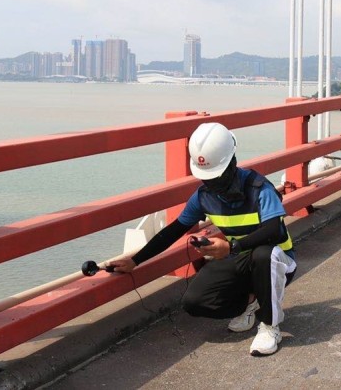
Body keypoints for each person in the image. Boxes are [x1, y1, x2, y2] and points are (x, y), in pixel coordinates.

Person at [109, 122, 297, 356]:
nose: (212, 184)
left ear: (232, 163)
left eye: (216, 177)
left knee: (263, 254)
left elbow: (273, 230)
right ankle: (251, 302)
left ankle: (270, 325)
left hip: (279, 261)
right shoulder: (203, 196)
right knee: (195, 301)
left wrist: (232, 246)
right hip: (240, 257)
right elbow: (174, 230)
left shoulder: (258, 188)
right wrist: (135, 260)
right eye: (206, 179)